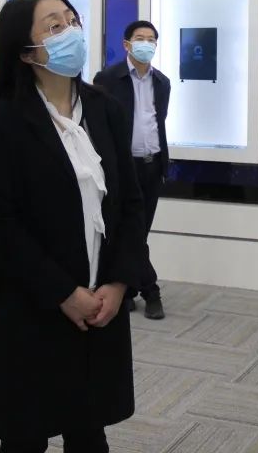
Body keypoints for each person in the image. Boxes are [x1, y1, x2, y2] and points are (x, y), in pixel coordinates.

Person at [0, 0, 147, 452]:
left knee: (89, 431)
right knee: (26, 434)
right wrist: (63, 293)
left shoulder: (105, 109)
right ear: (26, 52)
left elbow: (130, 204)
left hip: (101, 302)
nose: (70, 31)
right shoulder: (3, 119)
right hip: (35, 304)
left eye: (72, 20)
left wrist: (119, 283)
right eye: (54, 26)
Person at [93, 20, 170, 320]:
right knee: (131, 230)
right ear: (127, 44)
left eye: (151, 39)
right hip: (123, 168)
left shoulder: (162, 82)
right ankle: (151, 291)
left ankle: (127, 290)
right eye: (140, 38)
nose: (146, 44)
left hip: (153, 165)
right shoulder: (107, 79)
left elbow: (158, 122)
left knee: (139, 231)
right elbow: (100, 125)